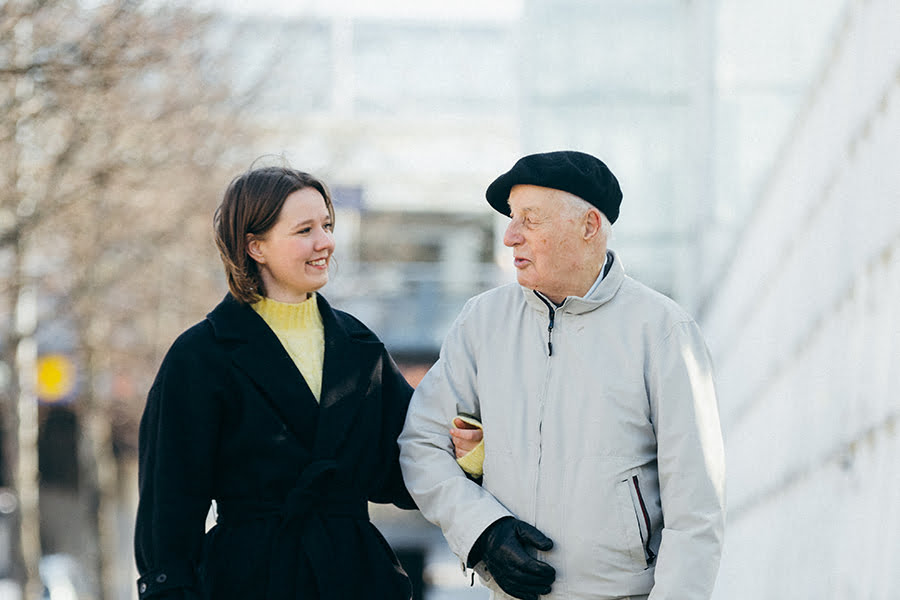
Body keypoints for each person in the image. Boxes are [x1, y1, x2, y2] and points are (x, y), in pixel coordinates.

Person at [133, 164, 480, 600]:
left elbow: (405, 469)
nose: (326, 242)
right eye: (304, 230)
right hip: (248, 580)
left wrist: (467, 454)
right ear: (255, 246)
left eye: (327, 225)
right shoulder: (201, 356)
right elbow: (169, 505)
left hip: (356, 578)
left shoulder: (358, 346)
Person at [399, 150, 726, 600]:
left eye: (529, 220)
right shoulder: (481, 321)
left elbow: (696, 510)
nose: (511, 236)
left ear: (589, 226)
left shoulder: (664, 331)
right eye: (512, 219)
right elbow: (421, 445)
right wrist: (482, 531)